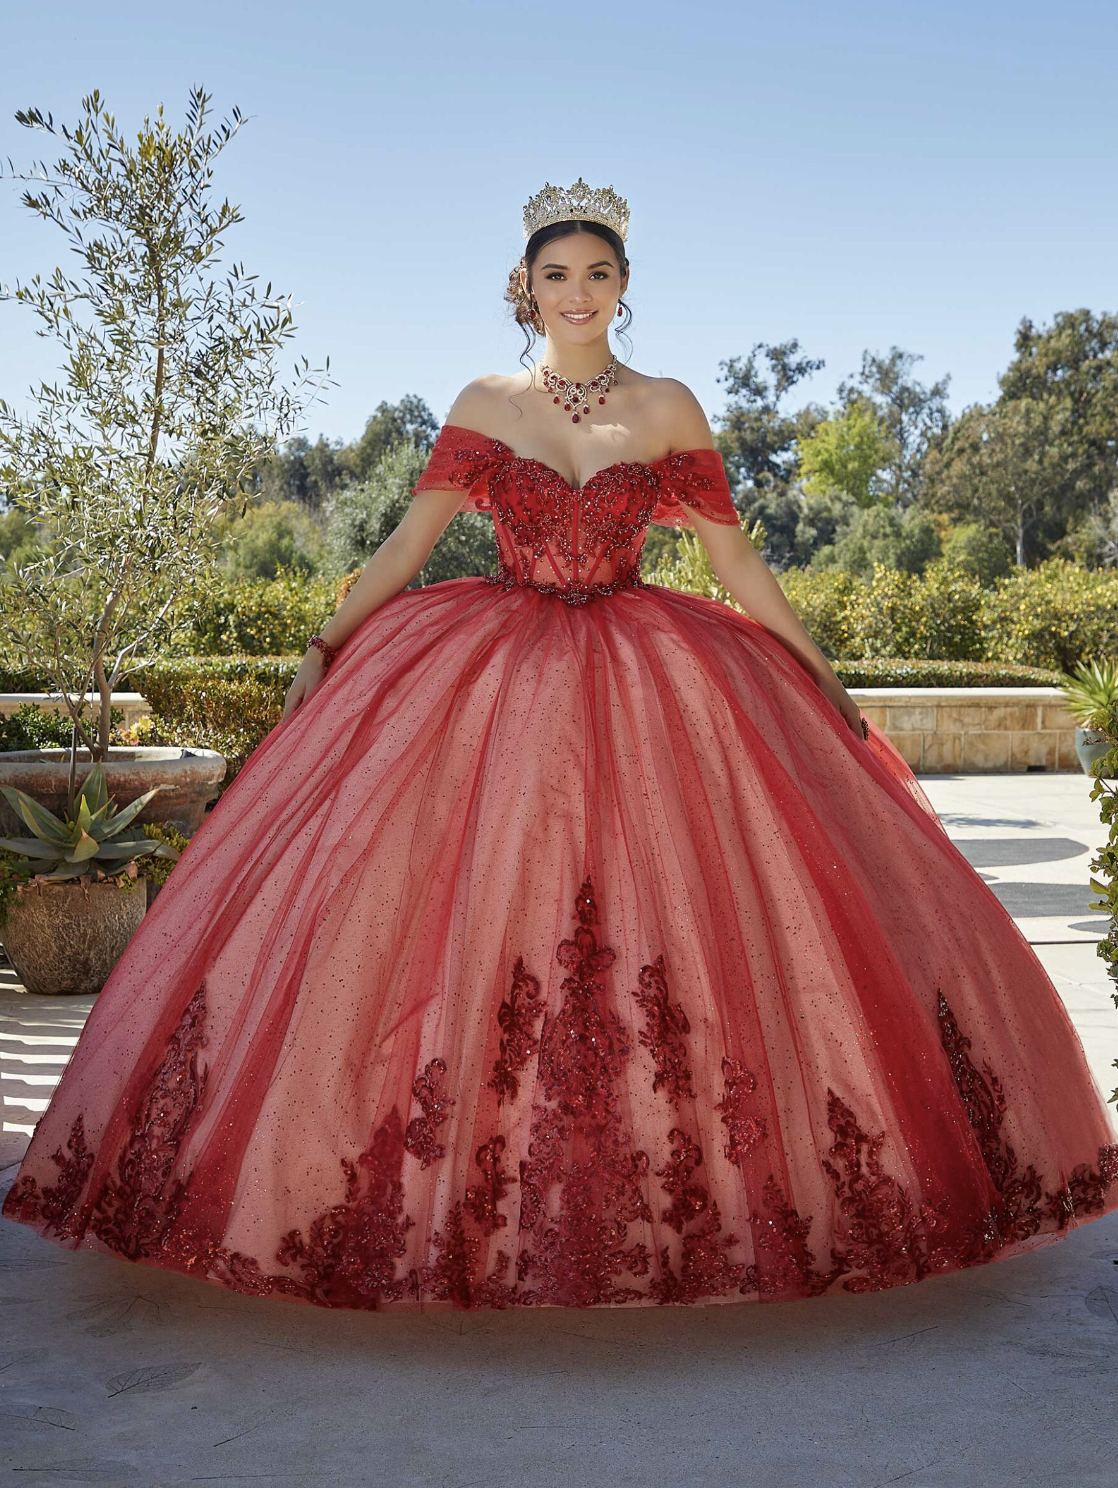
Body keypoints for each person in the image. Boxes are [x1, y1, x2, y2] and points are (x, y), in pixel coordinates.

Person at [4, 178, 1117, 1313]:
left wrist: (817, 667)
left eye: (596, 273)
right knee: (480, 894)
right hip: (498, 675)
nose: (576, 292)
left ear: (623, 286)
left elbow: (733, 560)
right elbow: (407, 547)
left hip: (648, 668)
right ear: (523, 287)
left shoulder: (668, 405)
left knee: (673, 898)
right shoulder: (486, 402)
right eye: (555, 275)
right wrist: (324, 642)